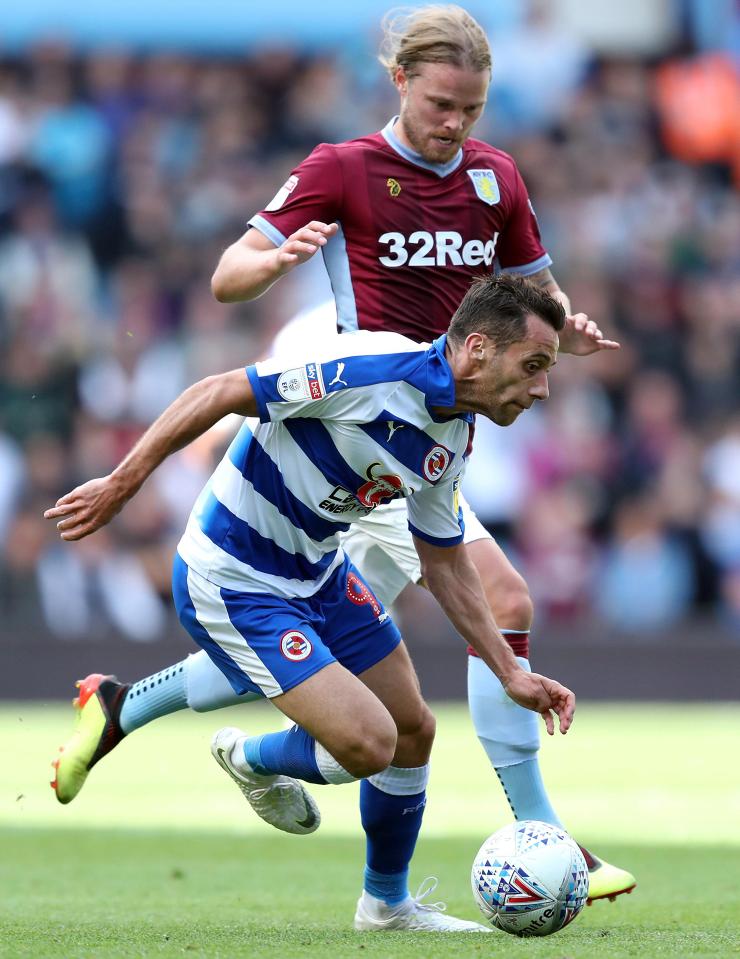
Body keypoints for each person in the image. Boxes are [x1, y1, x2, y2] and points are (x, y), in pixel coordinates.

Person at [51, 4, 635, 903]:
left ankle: (127, 711)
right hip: (358, 399)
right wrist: (280, 259)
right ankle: (544, 836)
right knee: (435, 635)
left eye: (473, 111)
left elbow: (533, 289)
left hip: (430, 429)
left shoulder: (496, 179)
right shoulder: (346, 168)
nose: (456, 126)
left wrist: (564, 326)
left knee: (344, 655)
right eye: (442, 104)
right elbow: (225, 277)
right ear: (400, 82)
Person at [47, 274, 576, 933]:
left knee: (414, 731)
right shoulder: (370, 370)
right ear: (475, 349)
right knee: (369, 741)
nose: (541, 388)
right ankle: (247, 756)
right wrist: (121, 484)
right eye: (533, 366)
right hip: (234, 574)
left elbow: (443, 561)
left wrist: (510, 670)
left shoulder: (454, 436)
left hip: (319, 571)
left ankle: (386, 906)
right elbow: (217, 391)